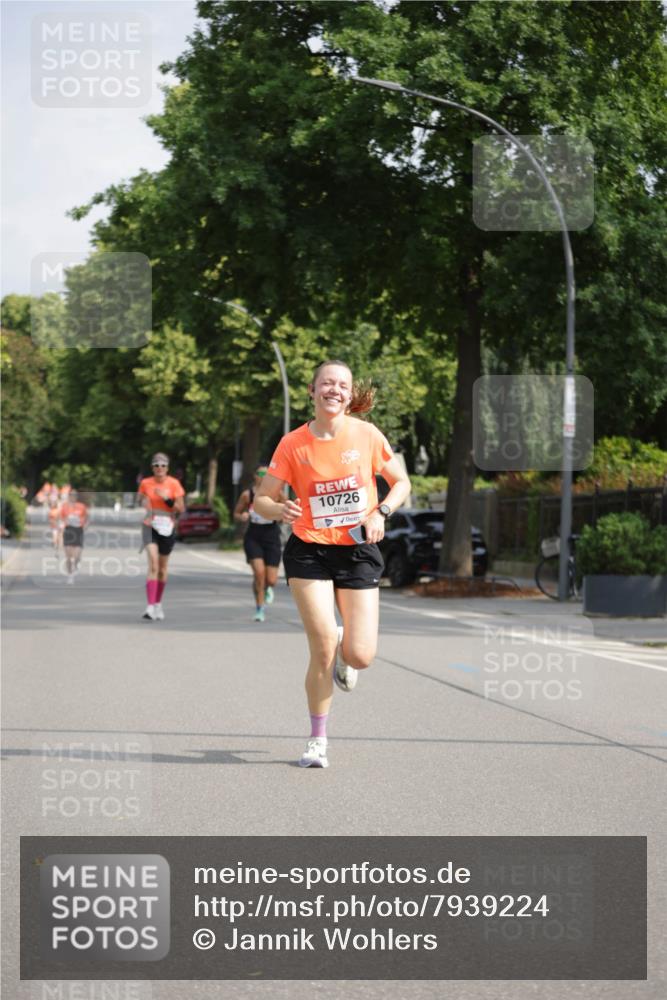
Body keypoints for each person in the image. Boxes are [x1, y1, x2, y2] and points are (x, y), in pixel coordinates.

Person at [254, 360, 411, 768]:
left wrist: (382, 513)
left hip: (358, 548)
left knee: (360, 656)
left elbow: (401, 482)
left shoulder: (367, 434)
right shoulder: (293, 443)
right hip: (309, 548)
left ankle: (347, 650)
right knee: (321, 645)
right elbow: (262, 499)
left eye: (342, 385)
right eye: (327, 383)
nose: (335, 390)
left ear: (349, 393)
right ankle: (317, 739)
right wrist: (279, 510)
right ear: (312, 390)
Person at [138, 452, 185, 620]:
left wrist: (167, 499)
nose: (160, 468)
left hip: (167, 526)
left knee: (163, 568)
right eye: (156, 465)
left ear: (167, 468)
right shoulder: (145, 483)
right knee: (153, 564)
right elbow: (140, 499)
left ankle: (158, 603)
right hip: (150, 525)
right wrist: (145, 503)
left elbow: (180, 508)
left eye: (163, 465)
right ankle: (150, 606)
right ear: (152, 467)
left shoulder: (174, 484)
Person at [233, 466, 283, 622]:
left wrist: (283, 514)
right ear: (255, 476)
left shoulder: (277, 494)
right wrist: (241, 516)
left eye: (267, 474)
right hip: (253, 536)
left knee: (271, 580)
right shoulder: (247, 495)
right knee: (259, 574)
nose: (264, 476)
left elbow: (289, 507)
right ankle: (260, 609)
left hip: (272, 535)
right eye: (261, 473)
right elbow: (236, 513)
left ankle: (268, 588)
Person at [59, 490, 88, 584]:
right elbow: (61, 518)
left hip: (78, 531)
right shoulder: (65, 506)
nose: (73, 497)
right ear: (69, 496)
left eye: (74, 495)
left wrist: (85, 526)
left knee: (76, 555)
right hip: (68, 531)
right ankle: (70, 575)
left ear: (76, 497)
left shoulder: (81, 506)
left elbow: (87, 518)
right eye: (71, 495)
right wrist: (61, 528)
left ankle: (76, 563)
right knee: (68, 556)